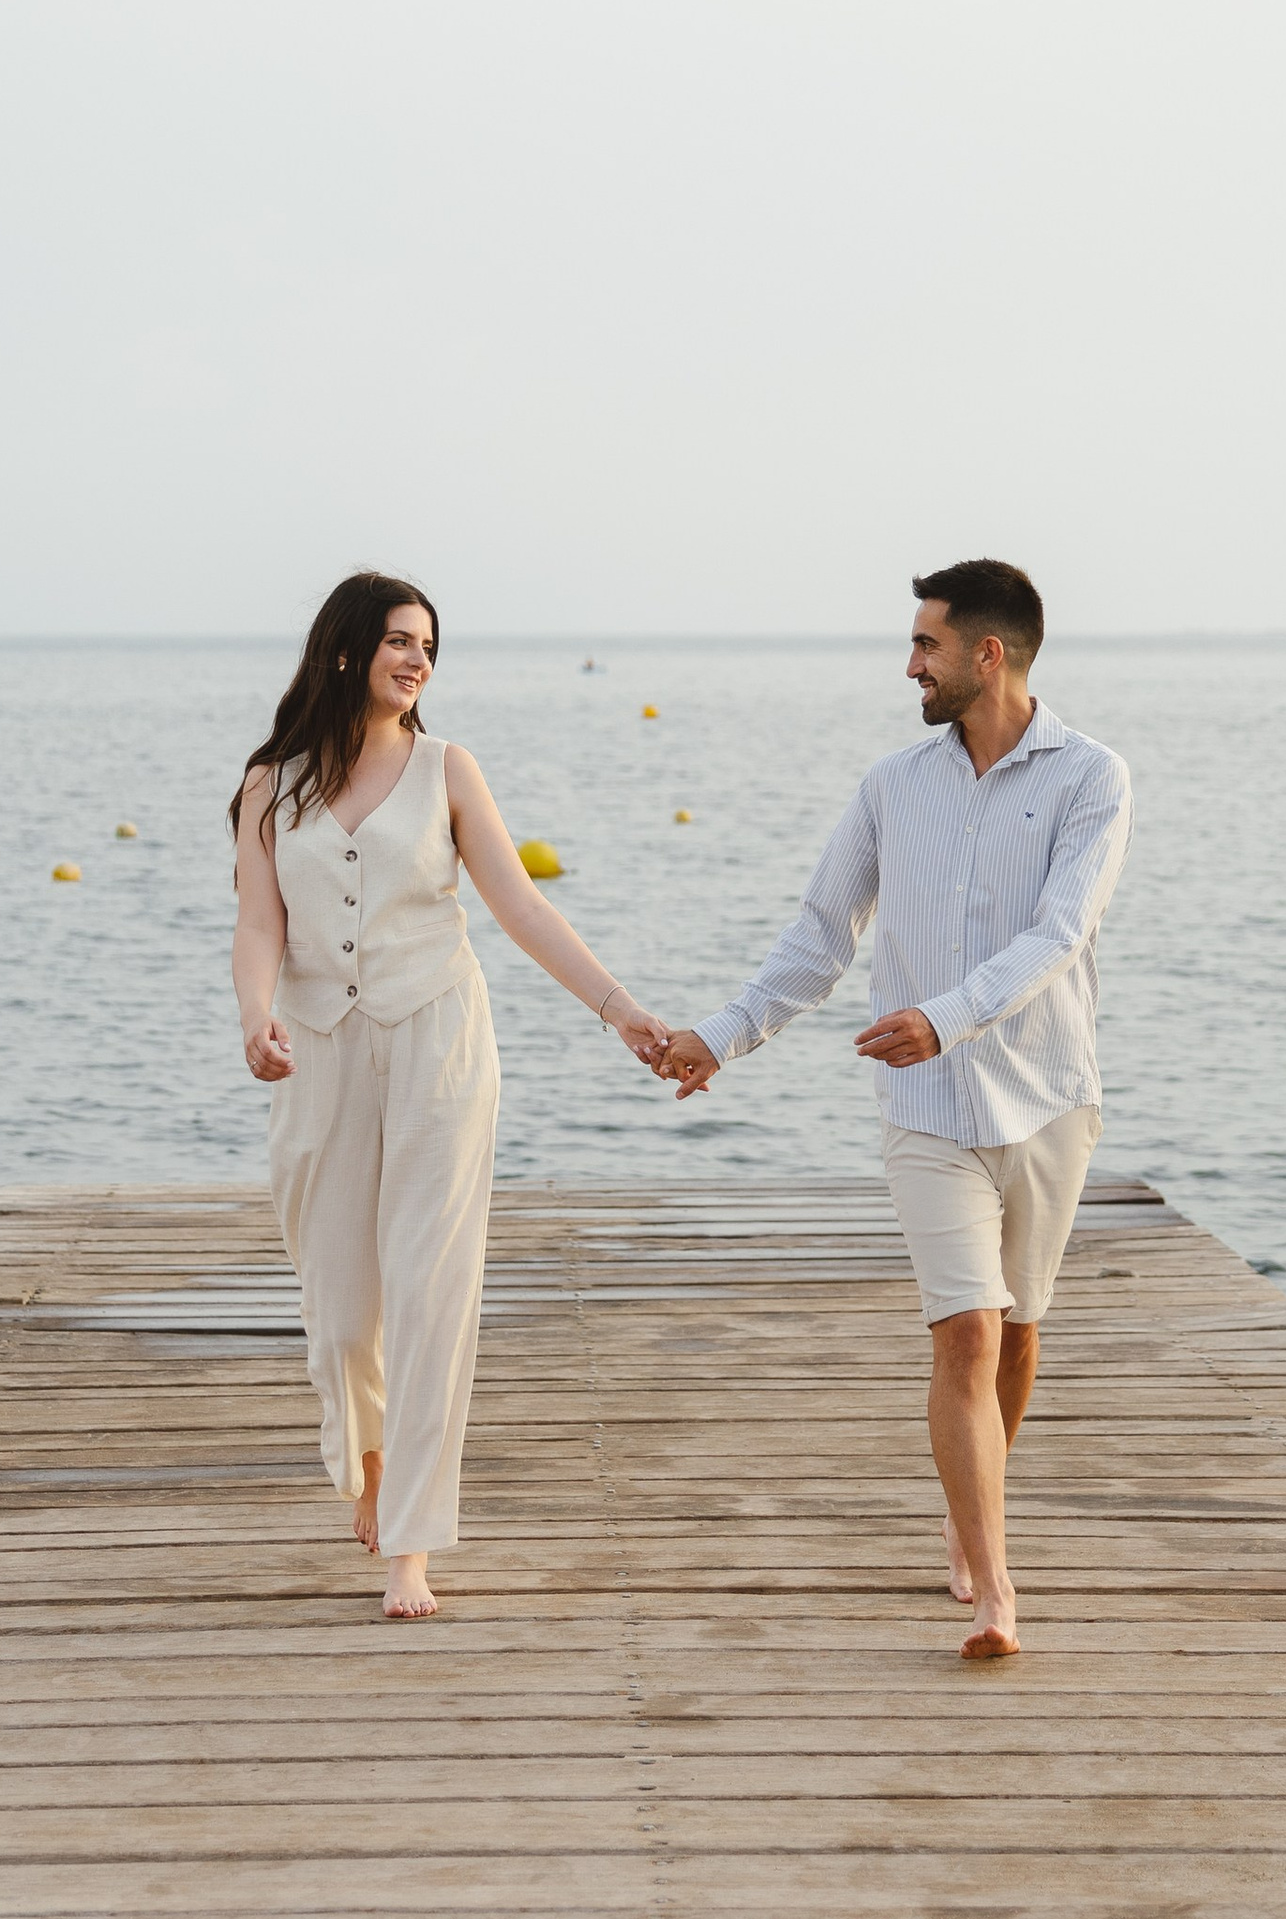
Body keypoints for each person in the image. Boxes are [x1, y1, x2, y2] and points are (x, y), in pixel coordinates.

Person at [658, 560, 1130, 1662]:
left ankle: (975, 1517)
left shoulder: (1092, 779)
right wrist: (720, 1037)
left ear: (988, 656)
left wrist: (946, 1013)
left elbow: (1060, 934)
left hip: (1050, 1098)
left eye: (925, 645)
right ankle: (993, 1584)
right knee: (963, 1330)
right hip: (923, 1100)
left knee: (1016, 1333)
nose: (908, 663)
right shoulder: (890, 786)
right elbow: (823, 933)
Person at [232, 571, 669, 1618]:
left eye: (426, 643)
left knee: (430, 1292)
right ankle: (371, 1464)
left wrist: (621, 1012)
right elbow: (258, 926)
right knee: (340, 1311)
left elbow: (518, 908)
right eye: (395, 639)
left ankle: (412, 1547)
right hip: (321, 1052)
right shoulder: (269, 783)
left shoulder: (447, 770)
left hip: (438, 1042)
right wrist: (256, 1018)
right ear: (344, 649)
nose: (416, 658)